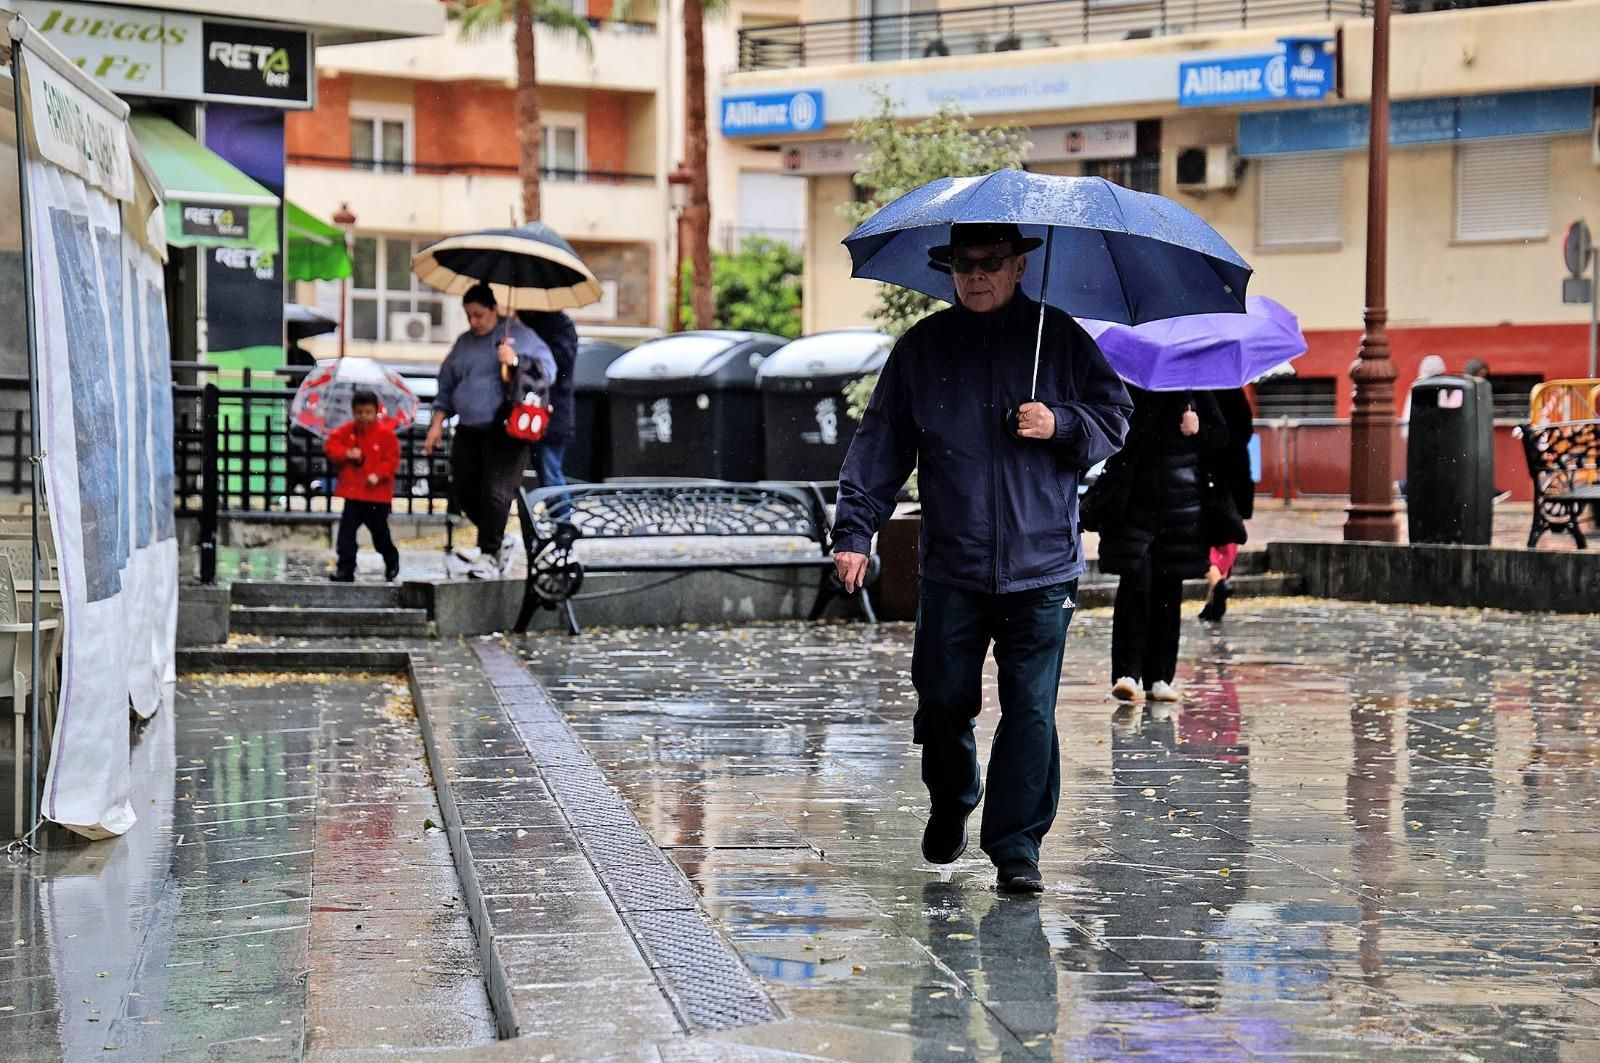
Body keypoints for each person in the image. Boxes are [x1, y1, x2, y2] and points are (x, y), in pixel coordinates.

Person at [832, 222, 1132, 895]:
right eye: (962, 265)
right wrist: (855, 532)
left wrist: (1060, 424)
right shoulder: (922, 350)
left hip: (1042, 564)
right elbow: (880, 444)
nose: (974, 276)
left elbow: (1115, 414)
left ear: (1020, 265)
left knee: (1030, 709)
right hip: (954, 567)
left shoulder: (1058, 339)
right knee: (942, 702)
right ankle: (952, 793)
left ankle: (1016, 845)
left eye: (990, 263)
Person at [1092, 386, 1233, 704]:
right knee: (1135, 588)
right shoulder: (1131, 388)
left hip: (1181, 511)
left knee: (1169, 595)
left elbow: (1222, 437)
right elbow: (1117, 438)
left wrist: (1197, 430)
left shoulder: (1194, 391)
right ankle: (1127, 673)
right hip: (1137, 509)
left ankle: (1160, 677)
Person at [426, 284, 556, 580]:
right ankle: (499, 542)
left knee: (496, 493)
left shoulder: (520, 336)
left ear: (494, 310)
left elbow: (546, 370)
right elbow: (447, 386)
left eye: (479, 315)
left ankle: (488, 553)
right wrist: (436, 424)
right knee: (465, 490)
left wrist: (515, 360)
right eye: (469, 316)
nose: (474, 322)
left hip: (506, 430)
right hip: (469, 429)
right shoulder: (464, 344)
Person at [325, 389, 401, 583]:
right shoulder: (348, 432)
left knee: (380, 535)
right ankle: (346, 569)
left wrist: (379, 474)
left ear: (376, 412)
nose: (363, 417)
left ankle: (391, 558)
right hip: (354, 495)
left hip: (377, 496)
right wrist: (347, 453)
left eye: (368, 412)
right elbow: (331, 447)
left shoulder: (386, 435)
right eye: (359, 412)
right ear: (353, 411)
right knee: (346, 535)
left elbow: (392, 460)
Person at [1198, 388, 1255, 622]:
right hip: (1234, 472)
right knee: (1228, 534)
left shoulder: (1199, 392)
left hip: (1209, 472)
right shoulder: (1234, 391)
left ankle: (1216, 582)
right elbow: (1246, 430)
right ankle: (1214, 595)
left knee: (1201, 535)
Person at [518, 309, 579, 489]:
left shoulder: (560, 325)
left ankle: (562, 517)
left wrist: (534, 345)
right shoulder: (521, 322)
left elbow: (561, 364)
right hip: (526, 411)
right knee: (528, 476)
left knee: (549, 474)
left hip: (551, 413)